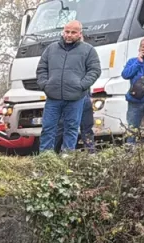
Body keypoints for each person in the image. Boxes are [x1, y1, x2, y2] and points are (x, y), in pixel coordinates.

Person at [36, 20, 101, 154]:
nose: (69, 35)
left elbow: (94, 71)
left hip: (75, 97)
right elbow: (42, 68)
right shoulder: (51, 49)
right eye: (67, 32)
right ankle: (44, 158)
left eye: (73, 32)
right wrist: (45, 85)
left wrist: (81, 86)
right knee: (48, 128)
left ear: (79, 34)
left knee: (71, 128)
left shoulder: (88, 50)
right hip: (53, 97)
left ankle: (67, 157)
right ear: (63, 32)